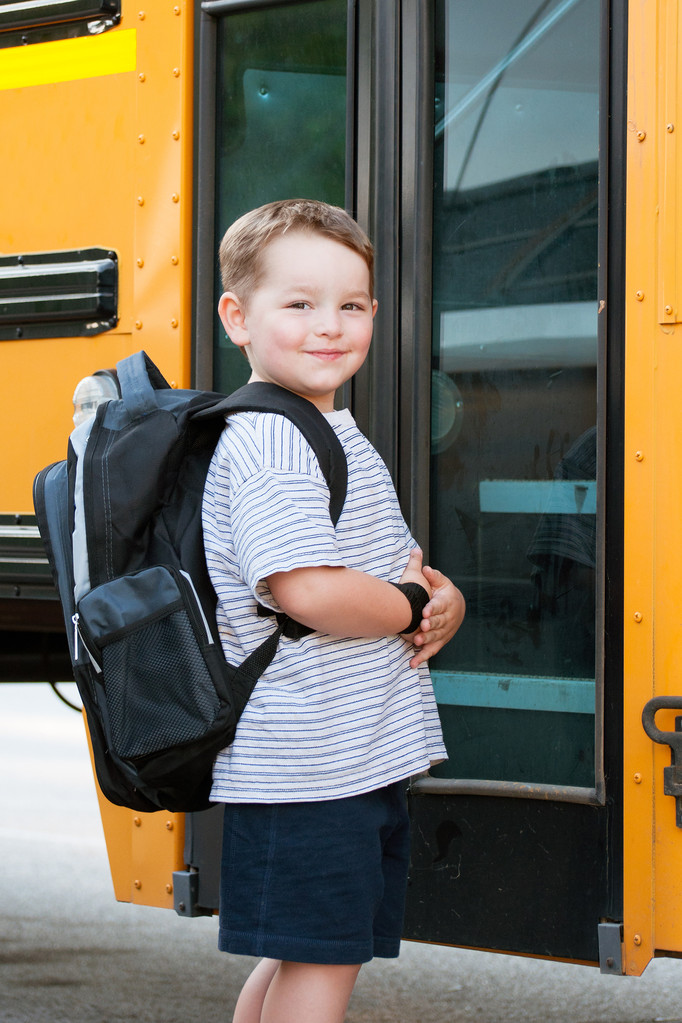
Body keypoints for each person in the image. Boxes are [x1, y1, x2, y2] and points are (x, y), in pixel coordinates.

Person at [202, 199, 465, 1023]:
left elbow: (388, 566)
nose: (330, 325)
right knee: (323, 966)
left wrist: (437, 597)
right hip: (308, 765)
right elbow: (306, 589)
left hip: (343, 756)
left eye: (350, 305)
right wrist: (411, 603)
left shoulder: (329, 427)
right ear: (237, 318)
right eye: (300, 303)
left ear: (376, 314)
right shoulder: (272, 439)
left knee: (303, 952)